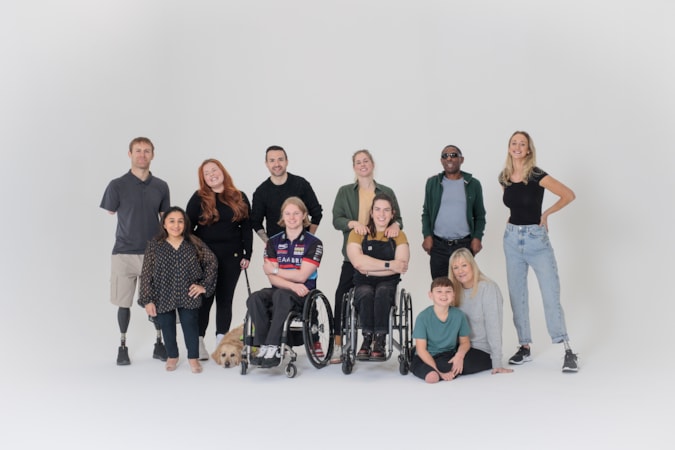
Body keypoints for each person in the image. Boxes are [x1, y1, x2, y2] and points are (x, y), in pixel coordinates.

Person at [498, 130, 578, 372]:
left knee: (550, 295)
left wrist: (545, 214)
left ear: (529, 149)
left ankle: (567, 349)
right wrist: (513, 223)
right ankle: (525, 347)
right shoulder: (503, 176)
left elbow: (568, 195)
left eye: (522, 144)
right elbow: (514, 204)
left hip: (536, 240)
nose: (518, 147)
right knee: (517, 296)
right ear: (509, 147)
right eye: (514, 143)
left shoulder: (536, 174)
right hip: (512, 239)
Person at [100, 136, 171, 366]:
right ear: (130, 154)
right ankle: (122, 346)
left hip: (153, 252)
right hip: (123, 252)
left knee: (156, 301)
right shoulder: (117, 185)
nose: (142, 155)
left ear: (153, 155)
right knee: (124, 302)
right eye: (138, 151)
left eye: (147, 151)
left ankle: (159, 344)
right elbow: (110, 211)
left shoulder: (161, 186)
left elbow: (166, 218)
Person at [332, 149, 402, 361]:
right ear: (354, 167)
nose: (362, 165)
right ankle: (337, 343)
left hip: (382, 248)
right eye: (358, 162)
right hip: (354, 251)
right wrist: (352, 223)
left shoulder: (386, 191)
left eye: (366, 161)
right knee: (341, 295)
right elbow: (337, 220)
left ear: (372, 164)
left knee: (380, 292)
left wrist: (396, 225)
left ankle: (376, 337)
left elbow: (399, 219)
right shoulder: (345, 191)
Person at [186, 159, 253, 360]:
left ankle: (221, 344)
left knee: (225, 300)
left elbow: (246, 227)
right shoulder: (199, 198)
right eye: (207, 173)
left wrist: (247, 254)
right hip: (205, 258)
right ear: (203, 179)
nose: (212, 174)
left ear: (222, 171)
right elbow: (187, 229)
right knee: (204, 300)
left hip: (232, 258)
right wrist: (193, 255)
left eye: (215, 170)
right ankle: (198, 343)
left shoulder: (238, 196)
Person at [138, 207, 218, 373]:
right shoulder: (154, 245)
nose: (176, 225)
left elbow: (212, 262)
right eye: (172, 221)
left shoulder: (194, 243)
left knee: (190, 325)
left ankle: (193, 358)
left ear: (185, 224)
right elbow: (146, 274)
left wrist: (203, 285)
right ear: (164, 224)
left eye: (180, 221)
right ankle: (172, 356)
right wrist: (147, 299)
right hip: (162, 294)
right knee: (166, 325)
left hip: (188, 293)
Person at [246, 197, 323, 368]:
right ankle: (262, 345)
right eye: (288, 213)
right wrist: (290, 283)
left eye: (296, 213)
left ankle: (273, 346)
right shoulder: (273, 242)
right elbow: (273, 279)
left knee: (281, 295)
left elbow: (302, 276)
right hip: (282, 290)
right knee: (255, 298)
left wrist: (275, 270)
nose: (292, 217)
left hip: (304, 294)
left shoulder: (314, 243)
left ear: (304, 215)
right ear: (283, 216)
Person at [346, 193, 409, 360]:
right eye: (378, 210)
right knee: (365, 293)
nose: (382, 214)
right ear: (371, 212)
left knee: (382, 292)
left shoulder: (398, 235)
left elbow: (401, 265)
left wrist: (369, 268)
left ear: (392, 213)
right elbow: (358, 263)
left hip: (388, 282)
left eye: (386, 210)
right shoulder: (358, 233)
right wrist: (389, 265)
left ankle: (380, 339)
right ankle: (367, 339)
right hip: (362, 282)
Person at [422, 144, 486, 280]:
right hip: (438, 245)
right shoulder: (433, 183)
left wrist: (477, 238)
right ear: (441, 161)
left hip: (464, 245)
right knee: (441, 288)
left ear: (461, 159)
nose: (449, 158)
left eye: (453, 155)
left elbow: (480, 216)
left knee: (464, 288)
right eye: (445, 156)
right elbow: (426, 212)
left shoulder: (473, 184)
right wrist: (427, 235)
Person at [449, 248, 513, 374]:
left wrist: (497, 362)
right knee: (422, 354)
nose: (460, 271)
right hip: (460, 346)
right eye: (455, 267)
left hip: (482, 350)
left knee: (450, 366)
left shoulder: (488, 288)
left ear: (472, 265)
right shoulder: (453, 291)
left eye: (464, 265)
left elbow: (494, 326)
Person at [251, 145, 323, 242]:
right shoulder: (261, 192)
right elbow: (255, 222)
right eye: (272, 160)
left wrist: (308, 238)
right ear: (266, 164)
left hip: (302, 247)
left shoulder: (301, 184)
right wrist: (269, 244)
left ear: (287, 161)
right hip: (276, 249)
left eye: (280, 159)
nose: (277, 164)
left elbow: (317, 213)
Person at [410, 277, 472, 383]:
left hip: (447, 354)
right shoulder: (423, 317)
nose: (444, 295)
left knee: (479, 362)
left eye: (448, 291)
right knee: (432, 377)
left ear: (453, 295)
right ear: (431, 295)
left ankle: (446, 369)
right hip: (426, 355)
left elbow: (465, 342)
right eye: (439, 291)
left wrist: (459, 356)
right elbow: (421, 350)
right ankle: (428, 368)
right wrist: (439, 372)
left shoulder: (459, 315)